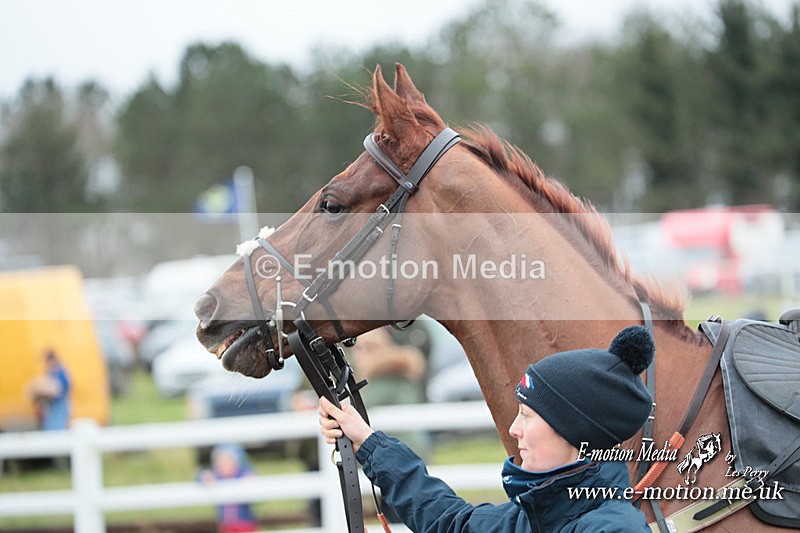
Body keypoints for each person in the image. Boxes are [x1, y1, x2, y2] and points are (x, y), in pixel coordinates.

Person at [319, 325, 655, 532]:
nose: (513, 429)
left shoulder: (613, 528)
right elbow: (449, 522)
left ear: (574, 432)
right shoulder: (532, 515)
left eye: (527, 415)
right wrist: (367, 441)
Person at [197, 443, 259, 533]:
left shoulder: (240, 474)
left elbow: (251, 473)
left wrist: (249, 477)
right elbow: (198, 475)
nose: (224, 465)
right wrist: (205, 476)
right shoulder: (218, 477)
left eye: (228, 461)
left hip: (245, 522)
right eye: (220, 463)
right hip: (226, 524)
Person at [28, 350, 71, 431]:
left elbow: (60, 389)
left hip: (59, 409)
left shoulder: (61, 373)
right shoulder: (48, 374)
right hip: (50, 411)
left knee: (57, 430)